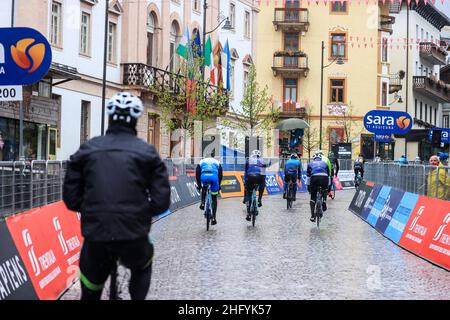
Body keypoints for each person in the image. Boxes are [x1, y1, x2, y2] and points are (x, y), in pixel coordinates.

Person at [63, 92, 171, 300]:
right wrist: (141, 212)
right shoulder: (148, 153)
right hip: (133, 234)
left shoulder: (88, 149)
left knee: (91, 284)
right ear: (135, 120)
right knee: (142, 265)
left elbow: (71, 197)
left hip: (97, 233)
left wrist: (90, 208)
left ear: (110, 117)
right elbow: (161, 201)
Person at [195, 153, 223, 225]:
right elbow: (220, 175)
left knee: (204, 187)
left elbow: (197, 174)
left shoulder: (202, 161)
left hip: (204, 176)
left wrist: (199, 186)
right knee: (214, 199)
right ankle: (214, 218)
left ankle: (203, 203)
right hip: (214, 177)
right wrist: (218, 185)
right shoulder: (216, 161)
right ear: (213, 157)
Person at [306, 152, 331, 222]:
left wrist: (308, 187)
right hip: (324, 178)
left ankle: (312, 216)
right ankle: (324, 201)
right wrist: (328, 187)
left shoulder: (310, 164)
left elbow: (308, 177)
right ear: (321, 158)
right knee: (324, 190)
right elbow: (328, 176)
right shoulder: (325, 163)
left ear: (314, 158)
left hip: (314, 178)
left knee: (313, 196)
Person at [243, 149, 266, 221]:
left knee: (248, 194)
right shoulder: (262, 160)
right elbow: (263, 173)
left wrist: (245, 180)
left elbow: (245, 172)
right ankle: (259, 199)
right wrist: (263, 182)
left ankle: (248, 214)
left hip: (250, 177)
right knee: (262, 184)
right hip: (259, 176)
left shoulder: (248, 160)